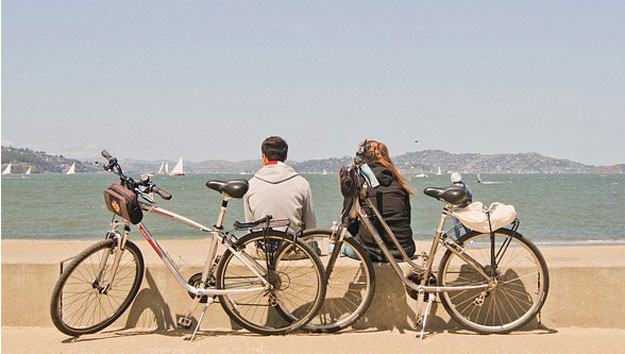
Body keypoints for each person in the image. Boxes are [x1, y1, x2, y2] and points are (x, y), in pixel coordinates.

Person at [347, 140, 415, 262]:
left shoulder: (360, 182)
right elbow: (406, 219)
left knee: (338, 245)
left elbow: (348, 220)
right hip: (405, 249)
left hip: (372, 250)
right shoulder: (398, 185)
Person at [243, 136, 316, 234]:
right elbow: (310, 226)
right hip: (294, 246)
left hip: (262, 245)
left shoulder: (250, 185)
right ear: (285, 157)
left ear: (264, 157)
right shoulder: (301, 183)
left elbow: (251, 227)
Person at [450, 172, 473, 238]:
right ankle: (470, 237)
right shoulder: (465, 186)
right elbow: (470, 195)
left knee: (456, 225)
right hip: (464, 207)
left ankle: (458, 238)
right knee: (465, 223)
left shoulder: (452, 187)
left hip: (455, 208)